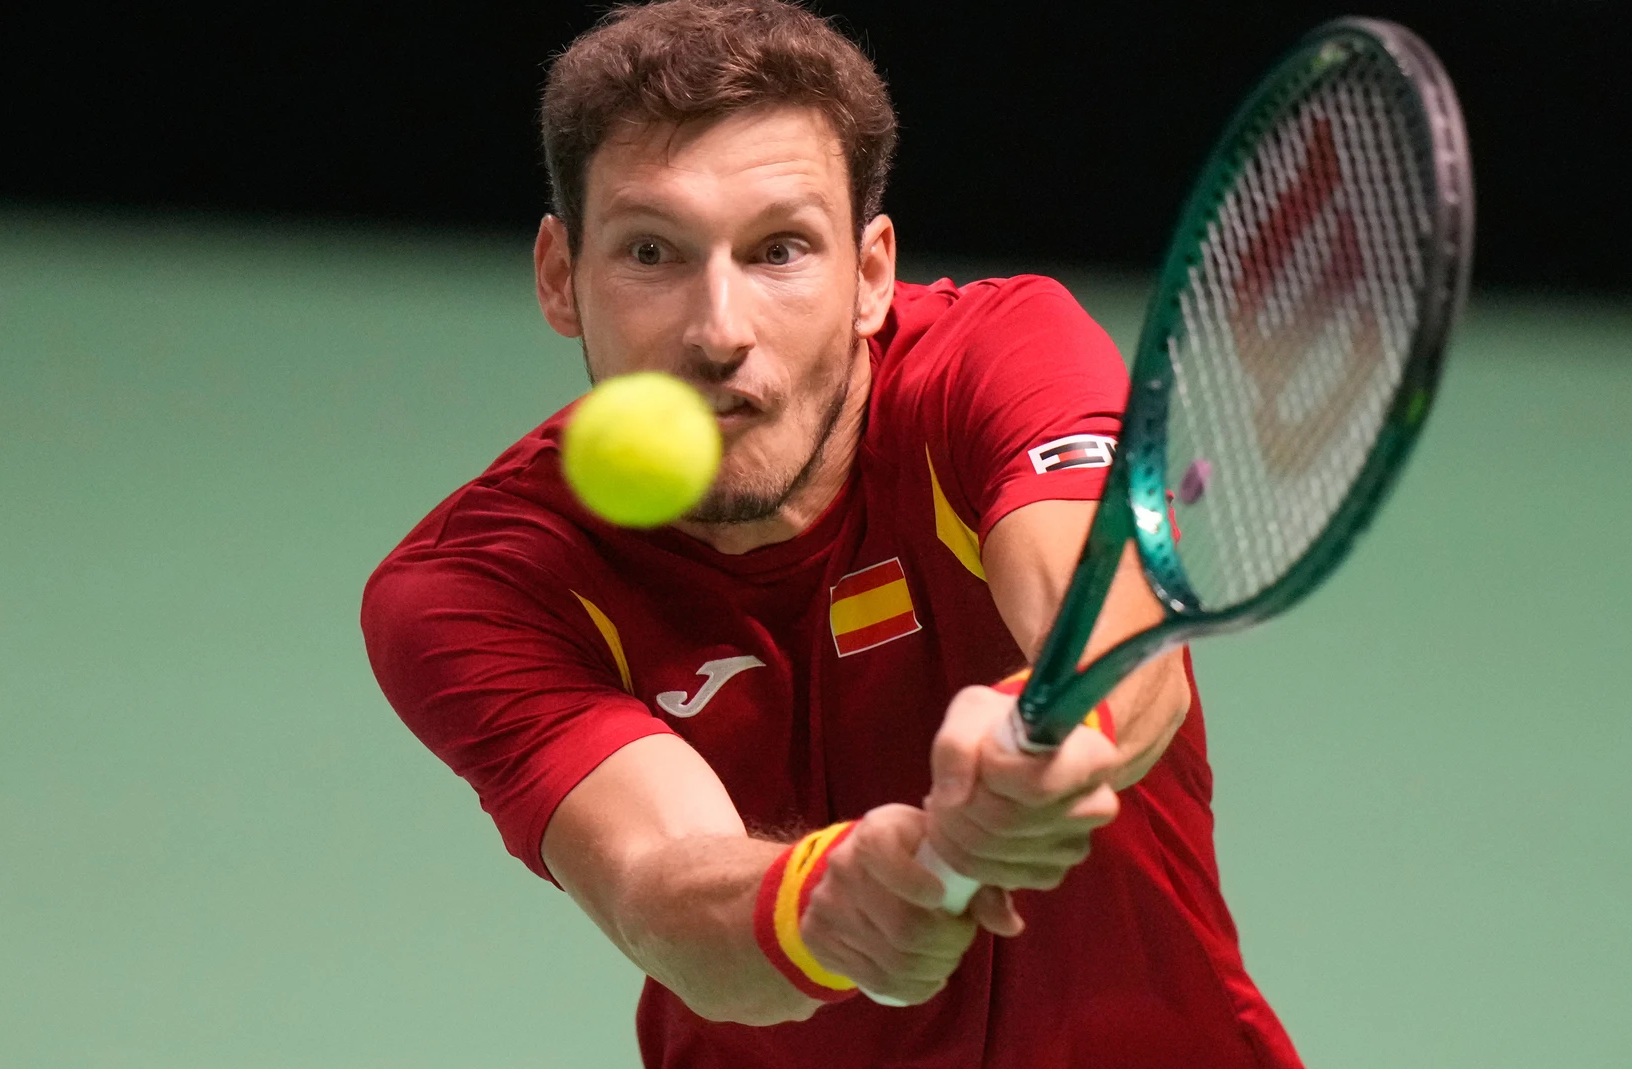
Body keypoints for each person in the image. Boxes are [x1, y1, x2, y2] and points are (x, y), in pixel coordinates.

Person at [361, 1, 1303, 1065]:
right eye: (651, 252)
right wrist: (826, 899)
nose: (719, 331)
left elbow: (1115, 633)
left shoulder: (997, 361)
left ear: (870, 275)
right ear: (558, 274)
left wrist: (1046, 729)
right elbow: (659, 886)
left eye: (780, 250)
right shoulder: (479, 585)